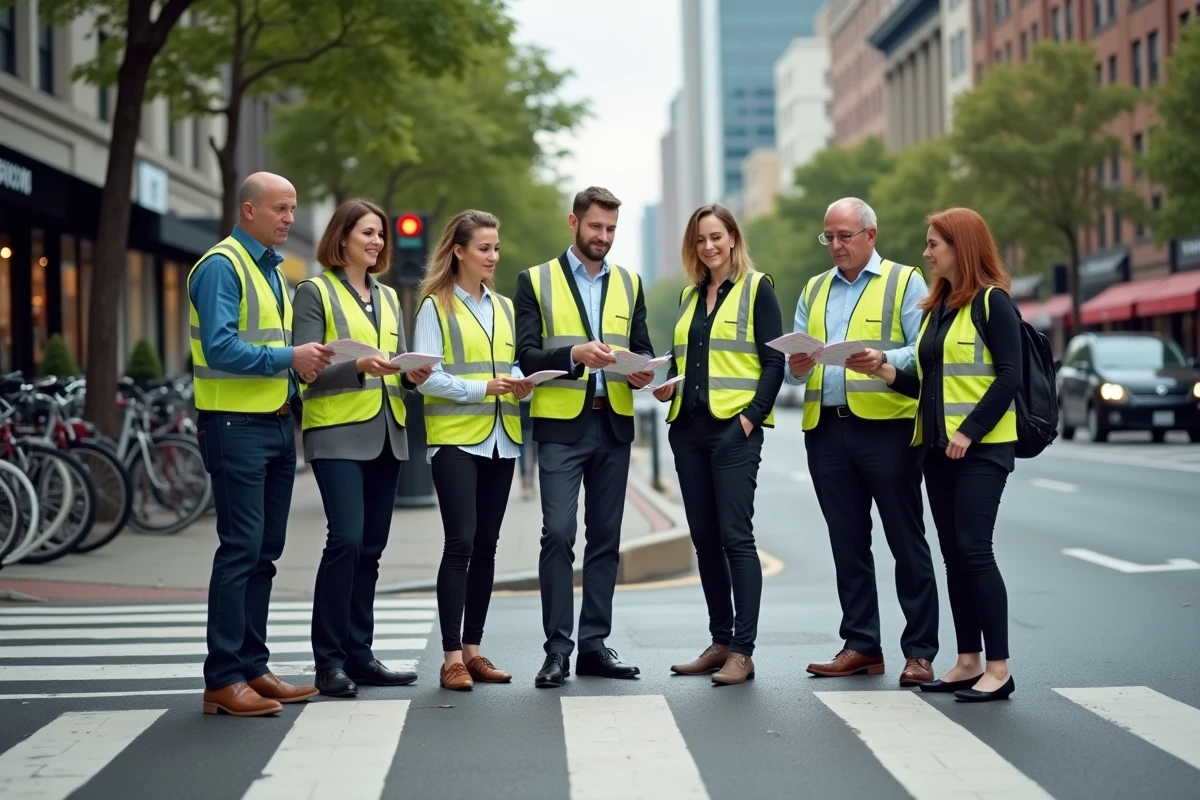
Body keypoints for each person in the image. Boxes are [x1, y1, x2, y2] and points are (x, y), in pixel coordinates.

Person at [189, 172, 333, 716]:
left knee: (265, 552)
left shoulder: (270, 270)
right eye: (280, 208)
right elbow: (223, 348)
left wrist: (304, 372)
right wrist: (288, 360)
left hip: (274, 425)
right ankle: (222, 679)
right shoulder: (222, 266)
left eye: (293, 208)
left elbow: (270, 349)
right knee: (240, 549)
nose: (290, 218)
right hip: (233, 426)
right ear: (248, 210)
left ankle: (251, 666)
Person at [784, 197, 939, 686]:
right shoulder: (814, 288)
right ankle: (861, 645)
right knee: (846, 543)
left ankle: (919, 652)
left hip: (887, 428)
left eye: (844, 236)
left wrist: (885, 358)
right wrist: (796, 364)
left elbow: (924, 348)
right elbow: (796, 361)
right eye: (828, 237)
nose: (834, 246)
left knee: (904, 540)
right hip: (827, 430)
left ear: (871, 235)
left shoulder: (904, 280)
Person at [873, 207, 1021, 703]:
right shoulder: (939, 308)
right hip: (936, 450)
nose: (926, 252)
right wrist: (886, 373)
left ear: (961, 247)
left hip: (982, 450)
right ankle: (967, 660)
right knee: (954, 556)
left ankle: (998, 669)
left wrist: (971, 432)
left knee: (976, 551)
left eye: (934, 243)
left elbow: (1009, 377)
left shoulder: (992, 303)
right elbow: (928, 383)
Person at [514, 186, 655, 688]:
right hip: (560, 427)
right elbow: (526, 356)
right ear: (573, 223)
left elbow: (642, 350)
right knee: (557, 534)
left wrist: (643, 373)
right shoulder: (534, 281)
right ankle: (557, 650)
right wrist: (574, 354)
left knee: (606, 540)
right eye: (596, 226)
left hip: (613, 422)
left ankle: (594, 645)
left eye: (612, 229)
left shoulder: (630, 283)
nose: (604, 237)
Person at [292, 198, 431, 698]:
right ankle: (328, 662)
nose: (376, 242)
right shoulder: (315, 292)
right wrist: (356, 368)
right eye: (367, 233)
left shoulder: (390, 298)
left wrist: (412, 375)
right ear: (342, 236)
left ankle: (360, 655)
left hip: (387, 432)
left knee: (370, 550)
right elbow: (305, 370)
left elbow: (392, 366)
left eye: (380, 235)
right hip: (336, 433)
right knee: (345, 540)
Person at [654, 204, 784, 685]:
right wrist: (668, 384)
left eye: (716, 237)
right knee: (705, 540)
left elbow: (776, 364)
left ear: (732, 237)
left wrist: (750, 420)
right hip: (688, 430)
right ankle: (720, 640)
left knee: (736, 538)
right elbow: (688, 363)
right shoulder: (690, 297)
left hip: (734, 432)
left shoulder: (757, 288)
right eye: (700, 240)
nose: (708, 246)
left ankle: (743, 653)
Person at [413, 210, 530, 692]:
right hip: (457, 441)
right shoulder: (433, 307)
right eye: (484, 248)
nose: (493, 256)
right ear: (458, 250)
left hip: (502, 440)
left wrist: (523, 384)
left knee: (487, 546)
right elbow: (425, 378)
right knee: (460, 542)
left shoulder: (504, 308)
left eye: (496, 248)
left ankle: (475, 651)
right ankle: (450, 658)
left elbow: (514, 364)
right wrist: (483, 388)